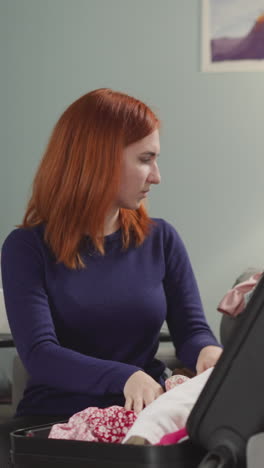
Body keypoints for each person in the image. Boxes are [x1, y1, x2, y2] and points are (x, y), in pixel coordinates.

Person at [1, 88, 222, 422]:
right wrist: (124, 376)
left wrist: (209, 352)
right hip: (57, 423)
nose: (157, 176)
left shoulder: (161, 239)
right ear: (99, 158)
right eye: (145, 159)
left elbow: (191, 331)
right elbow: (39, 354)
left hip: (145, 418)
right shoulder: (26, 247)